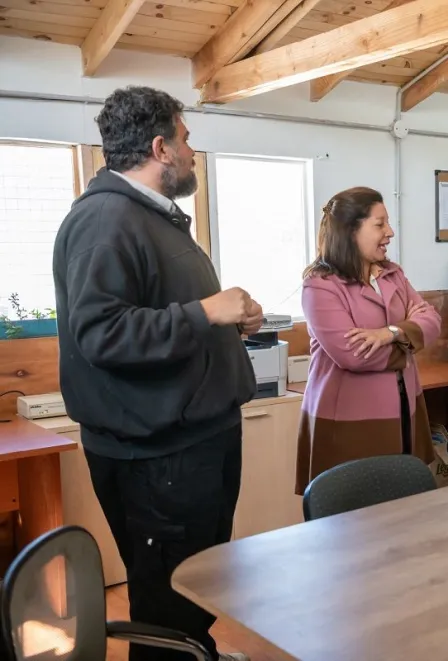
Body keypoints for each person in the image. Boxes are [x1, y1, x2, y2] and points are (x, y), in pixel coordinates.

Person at [52, 86, 261, 661]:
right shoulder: (105, 220)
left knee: (197, 586)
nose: (194, 151)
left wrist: (228, 321)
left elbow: (162, 317)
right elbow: (102, 333)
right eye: (188, 139)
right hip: (158, 456)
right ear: (160, 147)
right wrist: (204, 312)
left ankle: (199, 651)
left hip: (194, 439)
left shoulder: (153, 219)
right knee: (167, 600)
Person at [296, 187, 441, 494]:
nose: (390, 232)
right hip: (350, 421)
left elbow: (431, 321)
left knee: (402, 514)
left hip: (404, 411)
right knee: (354, 523)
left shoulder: (393, 274)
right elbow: (353, 355)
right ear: (351, 231)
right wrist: (409, 340)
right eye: (380, 224)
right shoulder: (320, 286)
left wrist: (390, 333)